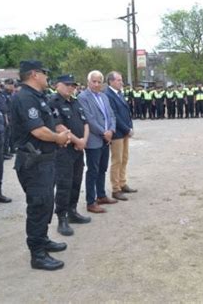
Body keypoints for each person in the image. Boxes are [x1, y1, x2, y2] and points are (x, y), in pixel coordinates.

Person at [11, 60, 70, 270]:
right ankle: (37, 254)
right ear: (34, 74)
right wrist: (58, 138)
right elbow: (38, 131)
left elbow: (50, 123)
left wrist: (61, 134)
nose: (47, 76)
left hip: (45, 160)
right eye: (45, 73)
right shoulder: (25, 97)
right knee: (38, 206)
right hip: (33, 163)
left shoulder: (38, 96)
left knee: (46, 204)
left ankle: (42, 239)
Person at [49, 75, 91, 236]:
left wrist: (84, 140)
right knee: (64, 184)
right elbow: (58, 125)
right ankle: (62, 218)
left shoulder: (75, 101)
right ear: (57, 85)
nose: (71, 88)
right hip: (64, 150)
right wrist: (77, 141)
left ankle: (72, 211)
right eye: (67, 85)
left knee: (76, 181)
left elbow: (85, 122)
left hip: (78, 149)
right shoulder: (53, 102)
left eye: (73, 85)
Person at [78, 71, 118, 214]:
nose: (96, 84)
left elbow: (112, 115)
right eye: (93, 81)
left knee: (102, 169)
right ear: (88, 82)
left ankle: (101, 195)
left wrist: (111, 130)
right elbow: (89, 119)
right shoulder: (83, 97)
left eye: (99, 82)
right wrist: (103, 132)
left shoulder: (104, 96)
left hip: (106, 139)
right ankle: (90, 201)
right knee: (93, 171)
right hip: (94, 140)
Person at [105, 71, 137, 201]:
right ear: (111, 81)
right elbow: (115, 116)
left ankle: (123, 183)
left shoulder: (119, 93)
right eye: (119, 80)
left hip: (124, 132)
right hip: (117, 132)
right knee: (116, 160)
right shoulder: (108, 95)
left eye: (121, 80)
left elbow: (126, 112)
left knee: (124, 158)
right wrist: (126, 128)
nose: (121, 82)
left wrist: (130, 127)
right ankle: (116, 188)